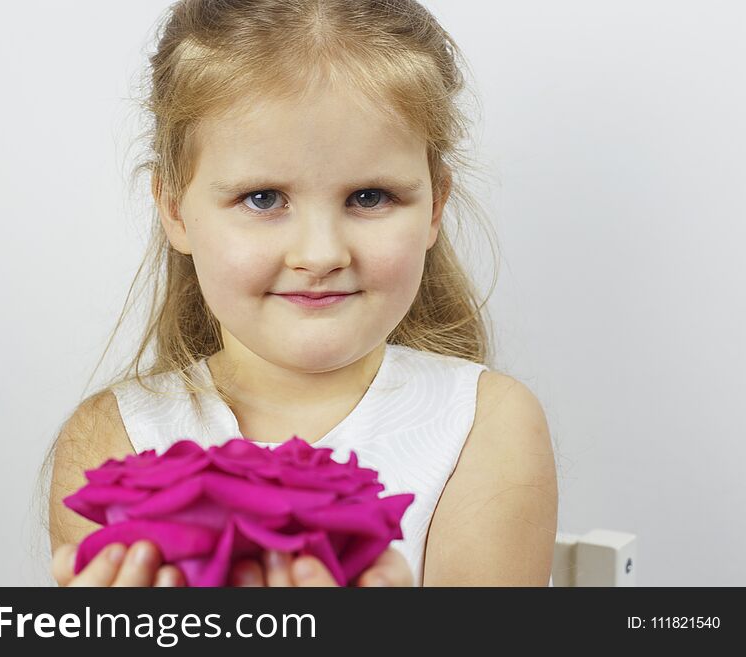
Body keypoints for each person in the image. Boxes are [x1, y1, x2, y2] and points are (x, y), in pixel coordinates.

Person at [43, 0, 558, 587]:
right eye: (263, 198)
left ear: (436, 205)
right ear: (174, 209)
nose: (320, 255)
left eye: (369, 197)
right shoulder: (113, 440)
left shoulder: (484, 424)